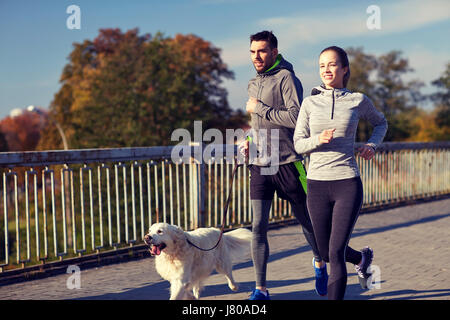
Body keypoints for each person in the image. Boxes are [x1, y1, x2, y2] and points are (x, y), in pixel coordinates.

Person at [293, 46, 388, 300]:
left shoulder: (357, 100)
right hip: (317, 185)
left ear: (344, 69)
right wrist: (317, 140)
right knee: (324, 252)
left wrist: (371, 144)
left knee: (335, 253)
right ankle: (361, 257)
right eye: (322, 65)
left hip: (347, 182)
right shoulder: (309, 103)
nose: (326, 69)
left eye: (332, 64)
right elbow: (298, 144)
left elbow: (381, 123)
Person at [239, 30, 327, 300]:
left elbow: (296, 117)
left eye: (262, 51)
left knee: (307, 222)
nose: (257, 56)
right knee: (258, 227)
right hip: (260, 165)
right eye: (253, 51)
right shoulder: (253, 83)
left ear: (274, 52)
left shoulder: (287, 77)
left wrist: (260, 108)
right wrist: (248, 140)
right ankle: (261, 288)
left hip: (289, 162)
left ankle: (319, 263)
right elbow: (257, 126)